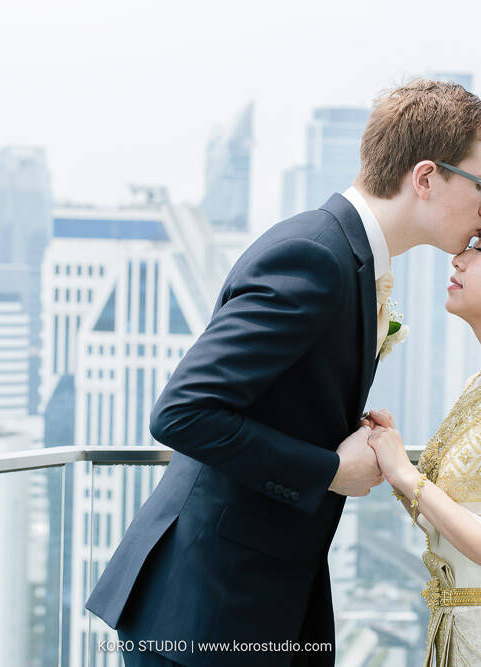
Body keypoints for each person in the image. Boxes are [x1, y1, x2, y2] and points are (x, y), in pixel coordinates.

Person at [85, 80, 481, 666]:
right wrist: (330, 469)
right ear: (426, 178)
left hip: (272, 595)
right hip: (208, 609)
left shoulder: (351, 259)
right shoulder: (316, 255)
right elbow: (182, 412)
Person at [366, 231, 481, 666]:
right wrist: (391, 458)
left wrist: (406, 474)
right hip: (454, 631)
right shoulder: (475, 384)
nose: (458, 259)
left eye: (479, 248)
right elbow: (448, 522)